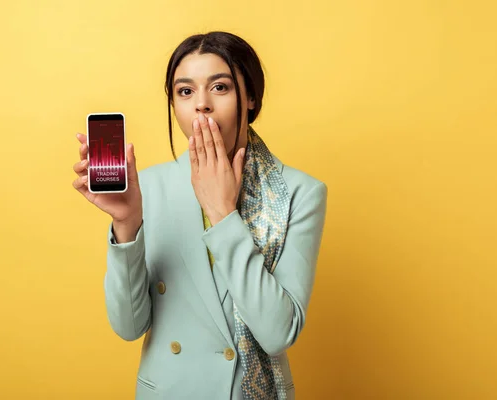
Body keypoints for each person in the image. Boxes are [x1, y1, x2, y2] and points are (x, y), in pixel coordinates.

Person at [72, 31, 328, 400]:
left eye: (220, 87)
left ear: (250, 97)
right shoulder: (149, 187)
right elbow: (129, 327)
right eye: (185, 91)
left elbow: (277, 334)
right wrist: (126, 224)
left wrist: (223, 213)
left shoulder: (299, 193)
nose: (201, 105)